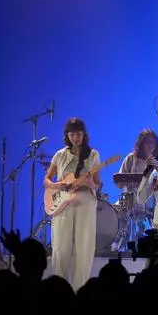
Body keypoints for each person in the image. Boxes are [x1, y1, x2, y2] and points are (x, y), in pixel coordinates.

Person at [43, 117, 103, 290]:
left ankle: (80, 290)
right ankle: (59, 289)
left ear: (84, 135)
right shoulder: (60, 155)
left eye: (79, 134)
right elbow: (47, 179)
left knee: (84, 247)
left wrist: (91, 184)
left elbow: (98, 184)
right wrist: (56, 185)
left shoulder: (93, 155)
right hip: (63, 201)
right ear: (67, 135)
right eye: (72, 134)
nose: (76, 138)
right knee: (60, 247)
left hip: (85, 202)